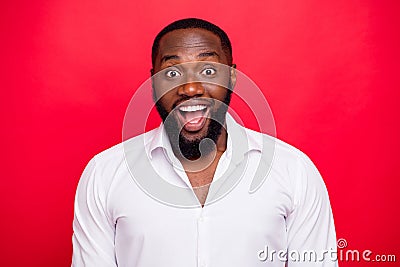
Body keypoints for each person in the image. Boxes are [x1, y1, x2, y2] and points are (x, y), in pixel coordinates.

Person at [72, 18, 338, 266]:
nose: (190, 88)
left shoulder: (293, 170)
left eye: (209, 70)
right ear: (153, 82)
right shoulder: (105, 174)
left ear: (232, 77)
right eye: (172, 73)